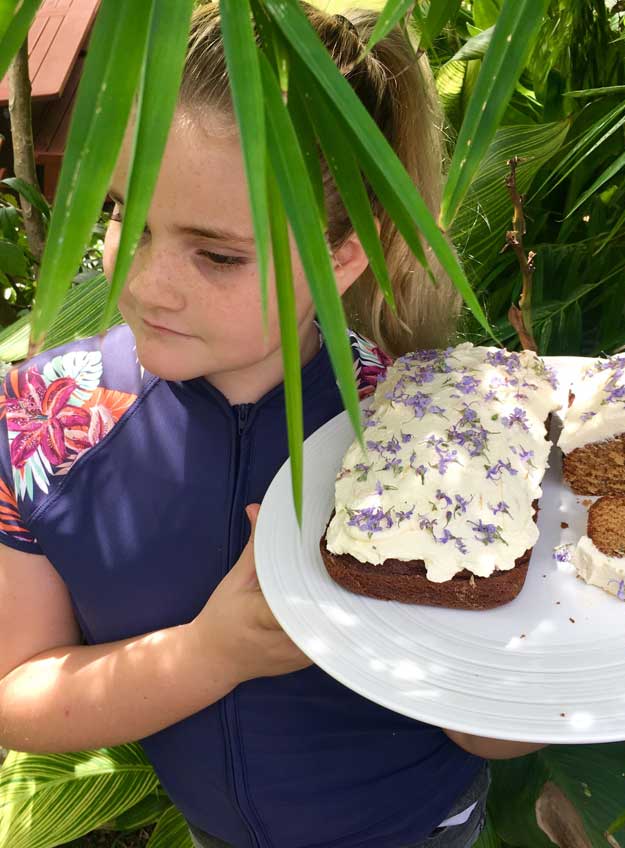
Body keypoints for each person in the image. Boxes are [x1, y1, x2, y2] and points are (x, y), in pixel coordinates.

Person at [0, 4, 545, 848]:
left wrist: (488, 625)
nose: (145, 284)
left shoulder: (423, 433)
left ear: (346, 252)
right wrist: (213, 655)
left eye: (217, 254)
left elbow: (496, 738)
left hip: (422, 828)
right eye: (122, 217)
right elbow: (16, 693)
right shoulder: (42, 422)